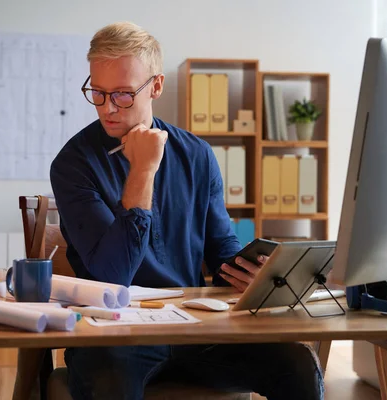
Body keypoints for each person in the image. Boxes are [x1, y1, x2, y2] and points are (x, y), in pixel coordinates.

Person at [50, 21, 324, 400]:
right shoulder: (73, 164)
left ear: (156, 87)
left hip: (196, 328)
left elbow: (221, 250)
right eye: (97, 93)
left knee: (297, 365)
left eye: (123, 95)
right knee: (108, 383)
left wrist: (254, 274)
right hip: (116, 335)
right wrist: (143, 170)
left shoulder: (197, 154)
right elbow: (112, 277)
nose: (107, 108)